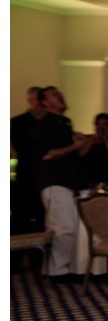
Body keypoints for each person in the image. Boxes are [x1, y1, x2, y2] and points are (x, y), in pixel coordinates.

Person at [33, 86, 88, 278]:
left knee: (57, 226)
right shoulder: (45, 124)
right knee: (63, 228)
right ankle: (59, 272)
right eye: (54, 95)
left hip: (65, 181)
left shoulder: (64, 122)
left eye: (59, 93)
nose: (60, 97)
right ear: (45, 103)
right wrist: (74, 145)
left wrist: (79, 143)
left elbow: (75, 153)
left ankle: (50, 269)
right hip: (53, 181)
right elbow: (47, 155)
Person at [11, 86, 48, 236]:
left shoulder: (48, 121)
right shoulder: (19, 122)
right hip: (25, 173)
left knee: (42, 215)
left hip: (44, 174)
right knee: (21, 214)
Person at [80, 112, 108, 187]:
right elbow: (81, 154)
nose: (101, 127)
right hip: (87, 176)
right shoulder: (88, 138)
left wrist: (105, 140)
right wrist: (91, 140)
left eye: (104, 124)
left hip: (105, 176)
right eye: (99, 124)